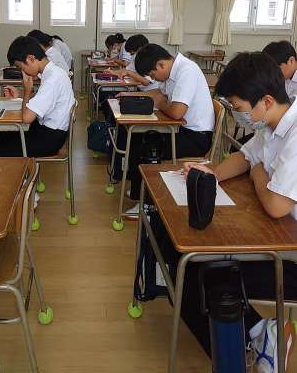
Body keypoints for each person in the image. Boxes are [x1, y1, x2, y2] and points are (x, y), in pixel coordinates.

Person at [164, 52, 297, 372]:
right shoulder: (272, 122)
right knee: (186, 261)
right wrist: (211, 173)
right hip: (279, 234)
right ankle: (258, 335)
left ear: (266, 101)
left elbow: (276, 205)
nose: (237, 115)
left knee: (203, 272)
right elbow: (245, 157)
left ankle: (241, 351)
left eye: (238, 107)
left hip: (290, 251)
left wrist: (258, 174)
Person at [121, 44, 214, 213]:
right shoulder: (172, 71)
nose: (153, 78)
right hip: (182, 130)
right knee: (138, 138)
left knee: (149, 148)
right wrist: (131, 95)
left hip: (197, 137)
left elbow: (177, 112)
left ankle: (148, 205)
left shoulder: (187, 71)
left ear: (161, 65)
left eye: (152, 74)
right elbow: (158, 93)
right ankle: (139, 192)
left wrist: (160, 103)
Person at [0, 36, 75, 157]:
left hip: (49, 138)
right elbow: (43, 102)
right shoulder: (53, 72)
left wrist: (27, 91)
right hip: (48, 131)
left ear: (31, 58)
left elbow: (27, 118)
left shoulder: (52, 80)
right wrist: (20, 95)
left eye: (21, 67)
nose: (23, 72)